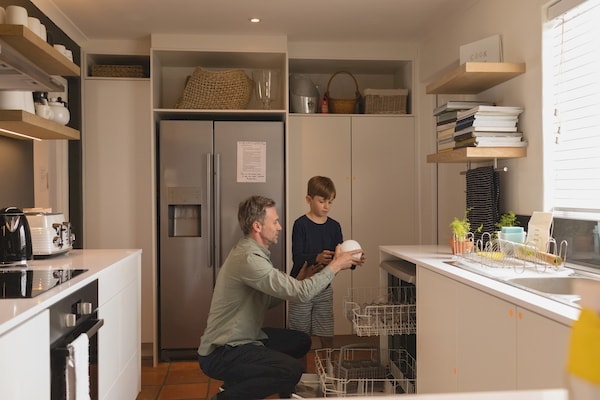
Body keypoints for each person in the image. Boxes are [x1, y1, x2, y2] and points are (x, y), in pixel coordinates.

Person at [197, 195, 362, 400]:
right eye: (275, 221)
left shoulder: (252, 252)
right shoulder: (250, 259)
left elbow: (270, 299)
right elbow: (301, 294)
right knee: (290, 371)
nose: (280, 227)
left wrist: (299, 279)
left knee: (300, 341)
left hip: (246, 339)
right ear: (257, 226)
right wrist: (336, 265)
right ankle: (227, 395)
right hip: (223, 351)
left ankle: (282, 394)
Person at [288, 176, 364, 350]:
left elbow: (340, 257)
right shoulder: (300, 225)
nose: (326, 206)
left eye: (330, 202)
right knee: (299, 339)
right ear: (309, 199)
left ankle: (329, 373)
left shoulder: (334, 226)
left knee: (326, 335)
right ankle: (301, 375)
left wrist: (353, 261)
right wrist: (316, 257)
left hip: (323, 288)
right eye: (322, 201)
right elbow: (297, 257)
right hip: (301, 287)